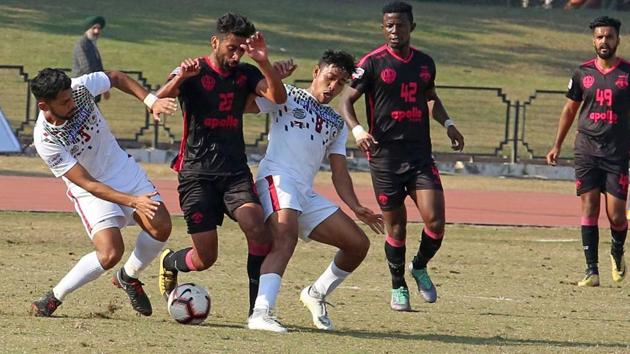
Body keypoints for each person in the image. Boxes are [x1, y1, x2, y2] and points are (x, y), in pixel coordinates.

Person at [155, 13, 286, 319]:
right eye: (231, 47)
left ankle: (257, 311)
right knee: (205, 257)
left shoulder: (246, 73)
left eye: (242, 49)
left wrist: (264, 62)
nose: (236, 54)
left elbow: (277, 98)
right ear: (215, 42)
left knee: (258, 229)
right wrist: (181, 78)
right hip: (196, 175)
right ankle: (170, 262)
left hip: (234, 173)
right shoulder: (193, 69)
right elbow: (158, 99)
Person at [245, 52, 384, 333]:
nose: (333, 87)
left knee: (357, 244)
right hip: (277, 178)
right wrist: (272, 77)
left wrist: (356, 207)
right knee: (285, 236)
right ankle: (261, 313)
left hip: (304, 193)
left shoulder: (335, 122)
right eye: (330, 78)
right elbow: (246, 105)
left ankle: (316, 293)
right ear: (316, 71)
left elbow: (339, 171)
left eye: (341, 83)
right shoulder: (287, 96)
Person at [340, 1, 465, 311]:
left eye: (400, 24)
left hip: (420, 155)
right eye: (389, 25)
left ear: (412, 26)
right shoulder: (371, 64)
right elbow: (346, 101)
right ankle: (398, 286)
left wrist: (448, 124)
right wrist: (357, 131)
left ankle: (419, 265)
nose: (394, 30)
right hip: (385, 159)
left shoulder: (425, 63)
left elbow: (430, 97)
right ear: (384, 28)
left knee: (435, 222)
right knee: (396, 227)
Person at [29, 68, 178, 317]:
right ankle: (54, 297)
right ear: (44, 105)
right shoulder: (45, 139)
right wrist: (133, 202)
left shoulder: (80, 88)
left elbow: (116, 77)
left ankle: (128, 277)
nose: (72, 103)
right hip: (89, 189)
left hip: (121, 169)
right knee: (110, 253)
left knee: (161, 226)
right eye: (64, 102)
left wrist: (150, 100)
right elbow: (88, 183)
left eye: (71, 97)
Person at [547, 16, 628, 287]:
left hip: (617, 153)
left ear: (618, 39)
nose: (604, 41)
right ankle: (591, 270)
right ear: (593, 40)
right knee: (589, 206)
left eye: (609, 36)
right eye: (599, 37)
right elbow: (569, 110)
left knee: (616, 215)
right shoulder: (582, 73)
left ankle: (617, 251)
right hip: (587, 150)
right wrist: (557, 144)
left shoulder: (627, 74)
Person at [72, 16, 109, 103]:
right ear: (87, 29)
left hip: (91, 89)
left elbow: (98, 67)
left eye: (99, 28)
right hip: (82, 89)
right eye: (94, 28)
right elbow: (86, 68)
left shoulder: (92, 44)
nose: (97, 31)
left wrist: (104, 86)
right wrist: (100, 84)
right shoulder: (82, 44)